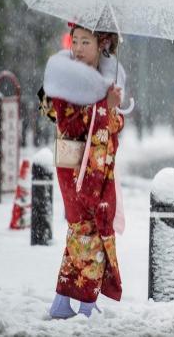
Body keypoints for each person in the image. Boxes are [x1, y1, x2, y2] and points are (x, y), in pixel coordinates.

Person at [42, 24, 127, 318]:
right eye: (75, 41)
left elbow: (112, 127)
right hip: (78, 170)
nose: (77, 48)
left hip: (95, 169)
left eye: (85, 42)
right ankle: (87, 306)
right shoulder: (66, 80)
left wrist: (111, 107)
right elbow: (72, 125)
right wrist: (105, 105)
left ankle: (63, 302)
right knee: (90, 234)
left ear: (101, 46)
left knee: (80, 234)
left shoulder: (102, 81)